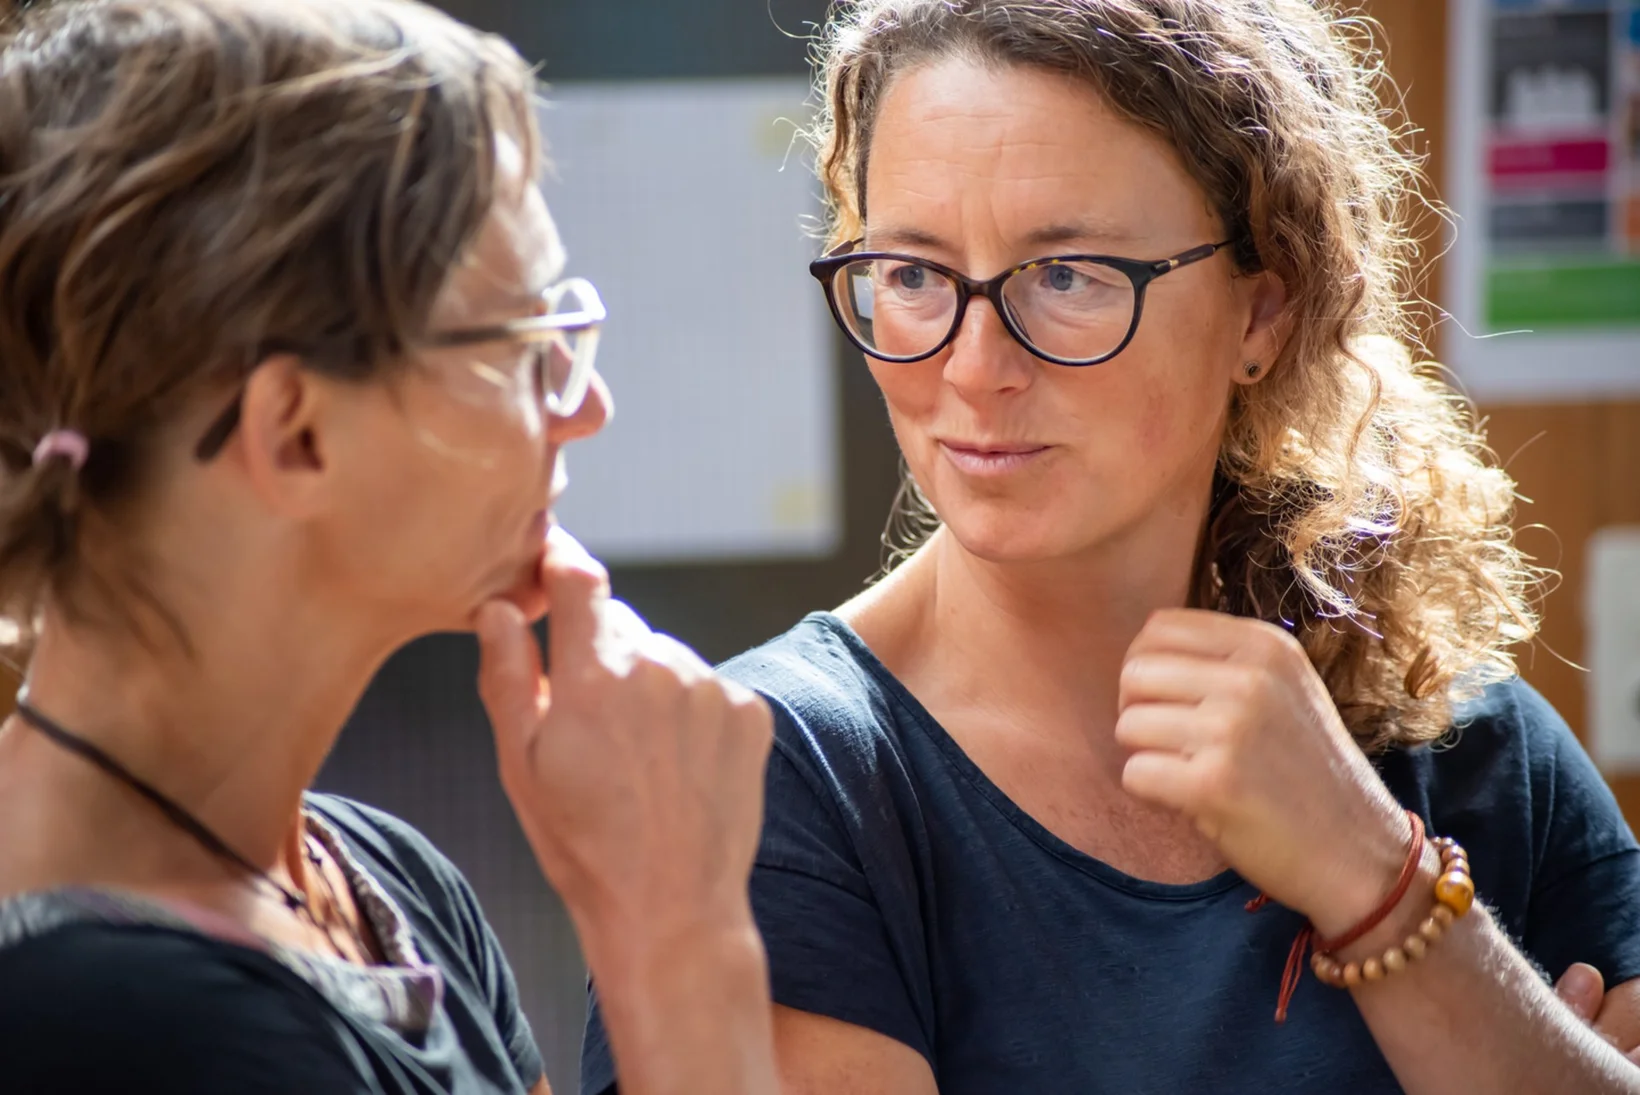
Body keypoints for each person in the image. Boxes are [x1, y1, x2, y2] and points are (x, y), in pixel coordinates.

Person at [577, 1, 1640, 1092]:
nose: (973, 367)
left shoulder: (1457, 735)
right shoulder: (767, 779)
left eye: (1068, 275)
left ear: (1259, 315)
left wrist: (1372, 871)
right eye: (912, 275)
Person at [0, 2, 778, 1093]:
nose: (587, 405)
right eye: (529, 340)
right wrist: (679, 929)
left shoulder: (384, 881)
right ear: (297, 433)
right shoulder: (105, 1019)